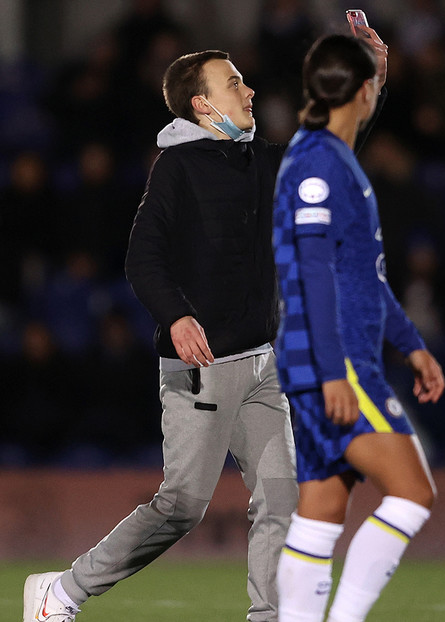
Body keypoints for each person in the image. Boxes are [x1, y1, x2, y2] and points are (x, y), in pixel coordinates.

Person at [22, 50, 297, 622]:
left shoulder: (262, 162)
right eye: (235, 83)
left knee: (283, 498)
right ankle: (63, 592)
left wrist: (370, 79)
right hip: (202, 367)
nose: (249, 92)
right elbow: (142, 259)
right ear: (203, 105)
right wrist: (175, 315)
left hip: (262, 366)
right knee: (182, 506)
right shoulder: (177, 168)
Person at [271, 34, 445, 622]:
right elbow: (315, 274)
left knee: (321, 512)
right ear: (364, 93)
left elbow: (359, 275)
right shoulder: (319, 166)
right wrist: (331, 373)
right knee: (413, 492)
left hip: (332, 358)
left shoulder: (328, 155)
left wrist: (411, 345)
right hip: (335, 360)